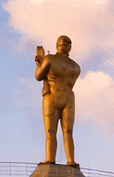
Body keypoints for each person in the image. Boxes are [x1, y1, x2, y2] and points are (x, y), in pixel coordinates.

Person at [34, 36, 81, 166]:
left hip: (52, 97)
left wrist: (39, 62)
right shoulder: (76, 66)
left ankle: (50, 159)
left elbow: (38, 76)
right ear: (69, 47)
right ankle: (71, 160)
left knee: (50, 132)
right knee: (68, 132)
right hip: (68, 97)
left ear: (57, 45)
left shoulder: (50, 59)